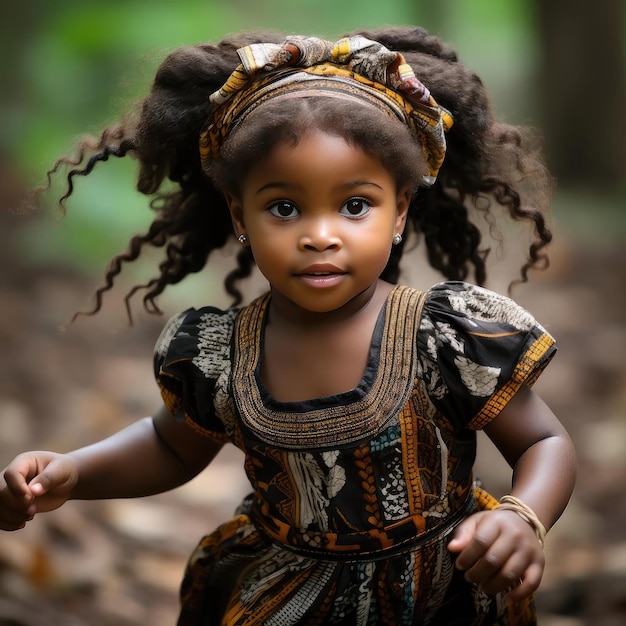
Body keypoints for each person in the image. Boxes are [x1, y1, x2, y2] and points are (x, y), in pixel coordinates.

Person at [0, 26, 576, 625]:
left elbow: (544, 442)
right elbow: (173, 446)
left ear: (400, 209)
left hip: (442, 596)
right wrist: (73, 471)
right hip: (288, 598)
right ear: (239, 214)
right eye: (284, 207)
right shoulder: (221, 353)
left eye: (355, 205)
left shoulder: (441, 337)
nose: (319, 234)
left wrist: (522, 515)